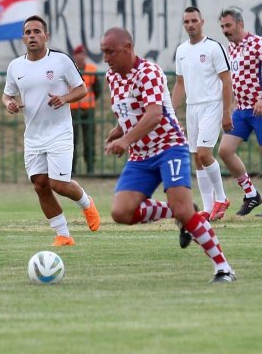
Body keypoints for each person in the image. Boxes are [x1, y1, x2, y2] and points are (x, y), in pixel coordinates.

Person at [100, 27, 236, 283]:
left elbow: (154, 114)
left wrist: (125, 140)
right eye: (103, 52)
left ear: (128, 48)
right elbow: (131, 110)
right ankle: (180, 211)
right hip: (140, 155)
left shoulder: (148, 72)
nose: (106, 58)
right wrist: (119, 129)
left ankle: (224, 268)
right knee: (121, 212)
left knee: (184, 210)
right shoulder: (112, 77)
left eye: (110, 52)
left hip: (168, 147)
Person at [2, 15, 101, 247]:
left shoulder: (61, 61)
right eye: (28, 32)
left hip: (59, 132)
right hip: (33, 135)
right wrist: (9, 104)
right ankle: (63, 235)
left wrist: (64, 98)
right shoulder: (15, 66)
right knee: (40, 185)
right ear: (23, 38)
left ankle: (86, 203)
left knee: (58, 183)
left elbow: (82, 89)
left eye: (37, 31)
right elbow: (7, 94)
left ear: (46, 36)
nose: (32, 36)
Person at [217, 6, 262, 217]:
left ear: (240, 24)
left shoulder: (258, 43)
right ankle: (251, 193)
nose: (225, 30)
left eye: (228, 25)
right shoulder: (230, 49)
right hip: (241, 110)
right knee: (224, 151)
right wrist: (227, 109)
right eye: (222, 26)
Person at [171, 6, 234, 221]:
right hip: (193, 107)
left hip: (212, 105)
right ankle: (208, 209)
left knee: (205, 154)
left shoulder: (214, 48)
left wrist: (227, 112)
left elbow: (226, 80)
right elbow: (180, 84)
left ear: (202, 21)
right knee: (197, 158)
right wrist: (171, 113)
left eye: (194, 21)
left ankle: (222, 198)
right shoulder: (181, 51)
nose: (190, 25)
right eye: (186, 21)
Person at [70, 44, 102, 175]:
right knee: (72, 140)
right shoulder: (70, 70)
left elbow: (97, 90)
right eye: (79, 54)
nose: (81, 57)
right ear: (74, 56)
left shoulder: (91, 70)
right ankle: (72, 169)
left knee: (89, 140)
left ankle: (90, 168)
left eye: (83, 54)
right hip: (73, 110)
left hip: (88, 110)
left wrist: (90, 101)